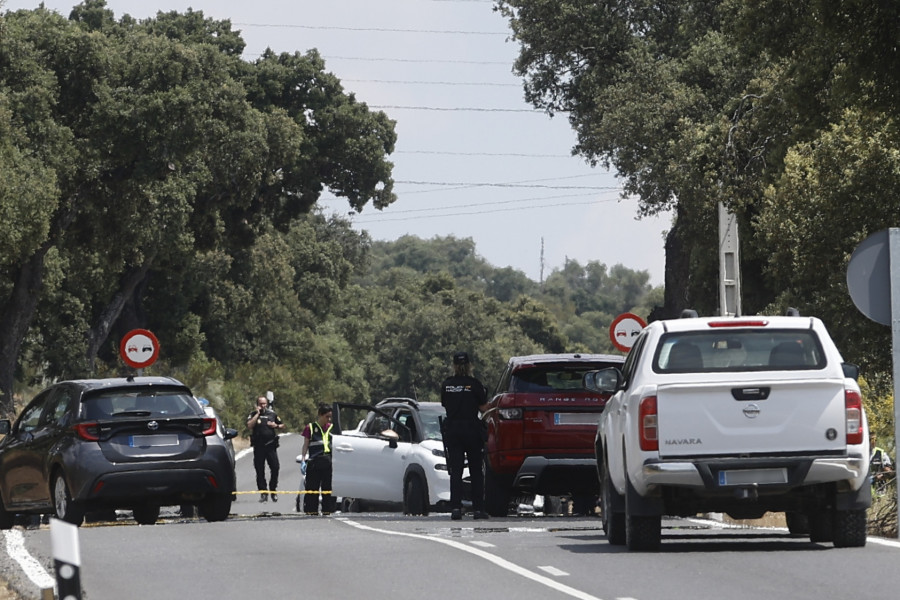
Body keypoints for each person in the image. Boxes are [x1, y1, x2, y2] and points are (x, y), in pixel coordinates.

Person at [440, 351, 489, 520]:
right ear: (469, 366)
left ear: (453, 366)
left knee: (456, 471)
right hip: (472, 430)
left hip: (453, 430)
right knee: (476, 471)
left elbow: (445, 404)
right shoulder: (474, 384)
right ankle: (478, 509)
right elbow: (483, 408)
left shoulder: (447, 385)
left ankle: (455, 507)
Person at [247, 395, 285, 502]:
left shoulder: (272, 414)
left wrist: (276, 426)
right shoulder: (253, 414)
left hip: (270, 446)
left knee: (275, 467)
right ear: (257, 405)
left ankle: (273, 489)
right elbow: (249, 425)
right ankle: (263, 492)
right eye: (260, 404)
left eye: (264, 403)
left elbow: (282, 425)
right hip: (259, 446)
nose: (262, 406)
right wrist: (257, 415)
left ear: (267, 404)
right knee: (260, 470)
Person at [300, 404, 335, 515]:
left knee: (327, 488)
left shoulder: (332, 428)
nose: (328, 419)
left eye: (330, 417)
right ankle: (311, 510)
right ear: (320, 415)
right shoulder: (310, 427)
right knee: (312, 489)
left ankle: (327, 510)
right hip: (314, 462)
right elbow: (305, 445)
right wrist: (303, 459)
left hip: (328, 461)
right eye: (326, 416)